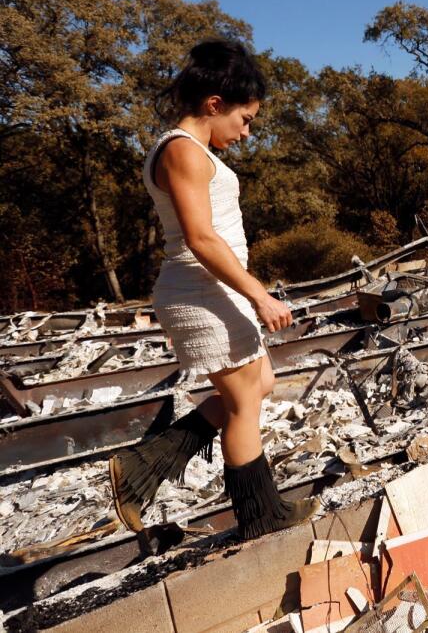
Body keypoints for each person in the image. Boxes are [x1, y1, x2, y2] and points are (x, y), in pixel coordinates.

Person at [108, 40, 319, 541]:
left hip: (211, 289)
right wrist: (259, 295)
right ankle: (260, 515)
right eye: (244, 119)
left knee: (259, 381)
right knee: (245, 401)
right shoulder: (182, 149)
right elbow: (201, 237)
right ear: (214, 105)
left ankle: (146, 463)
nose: (246, 133)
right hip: (200, 289)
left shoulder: (192, 150)